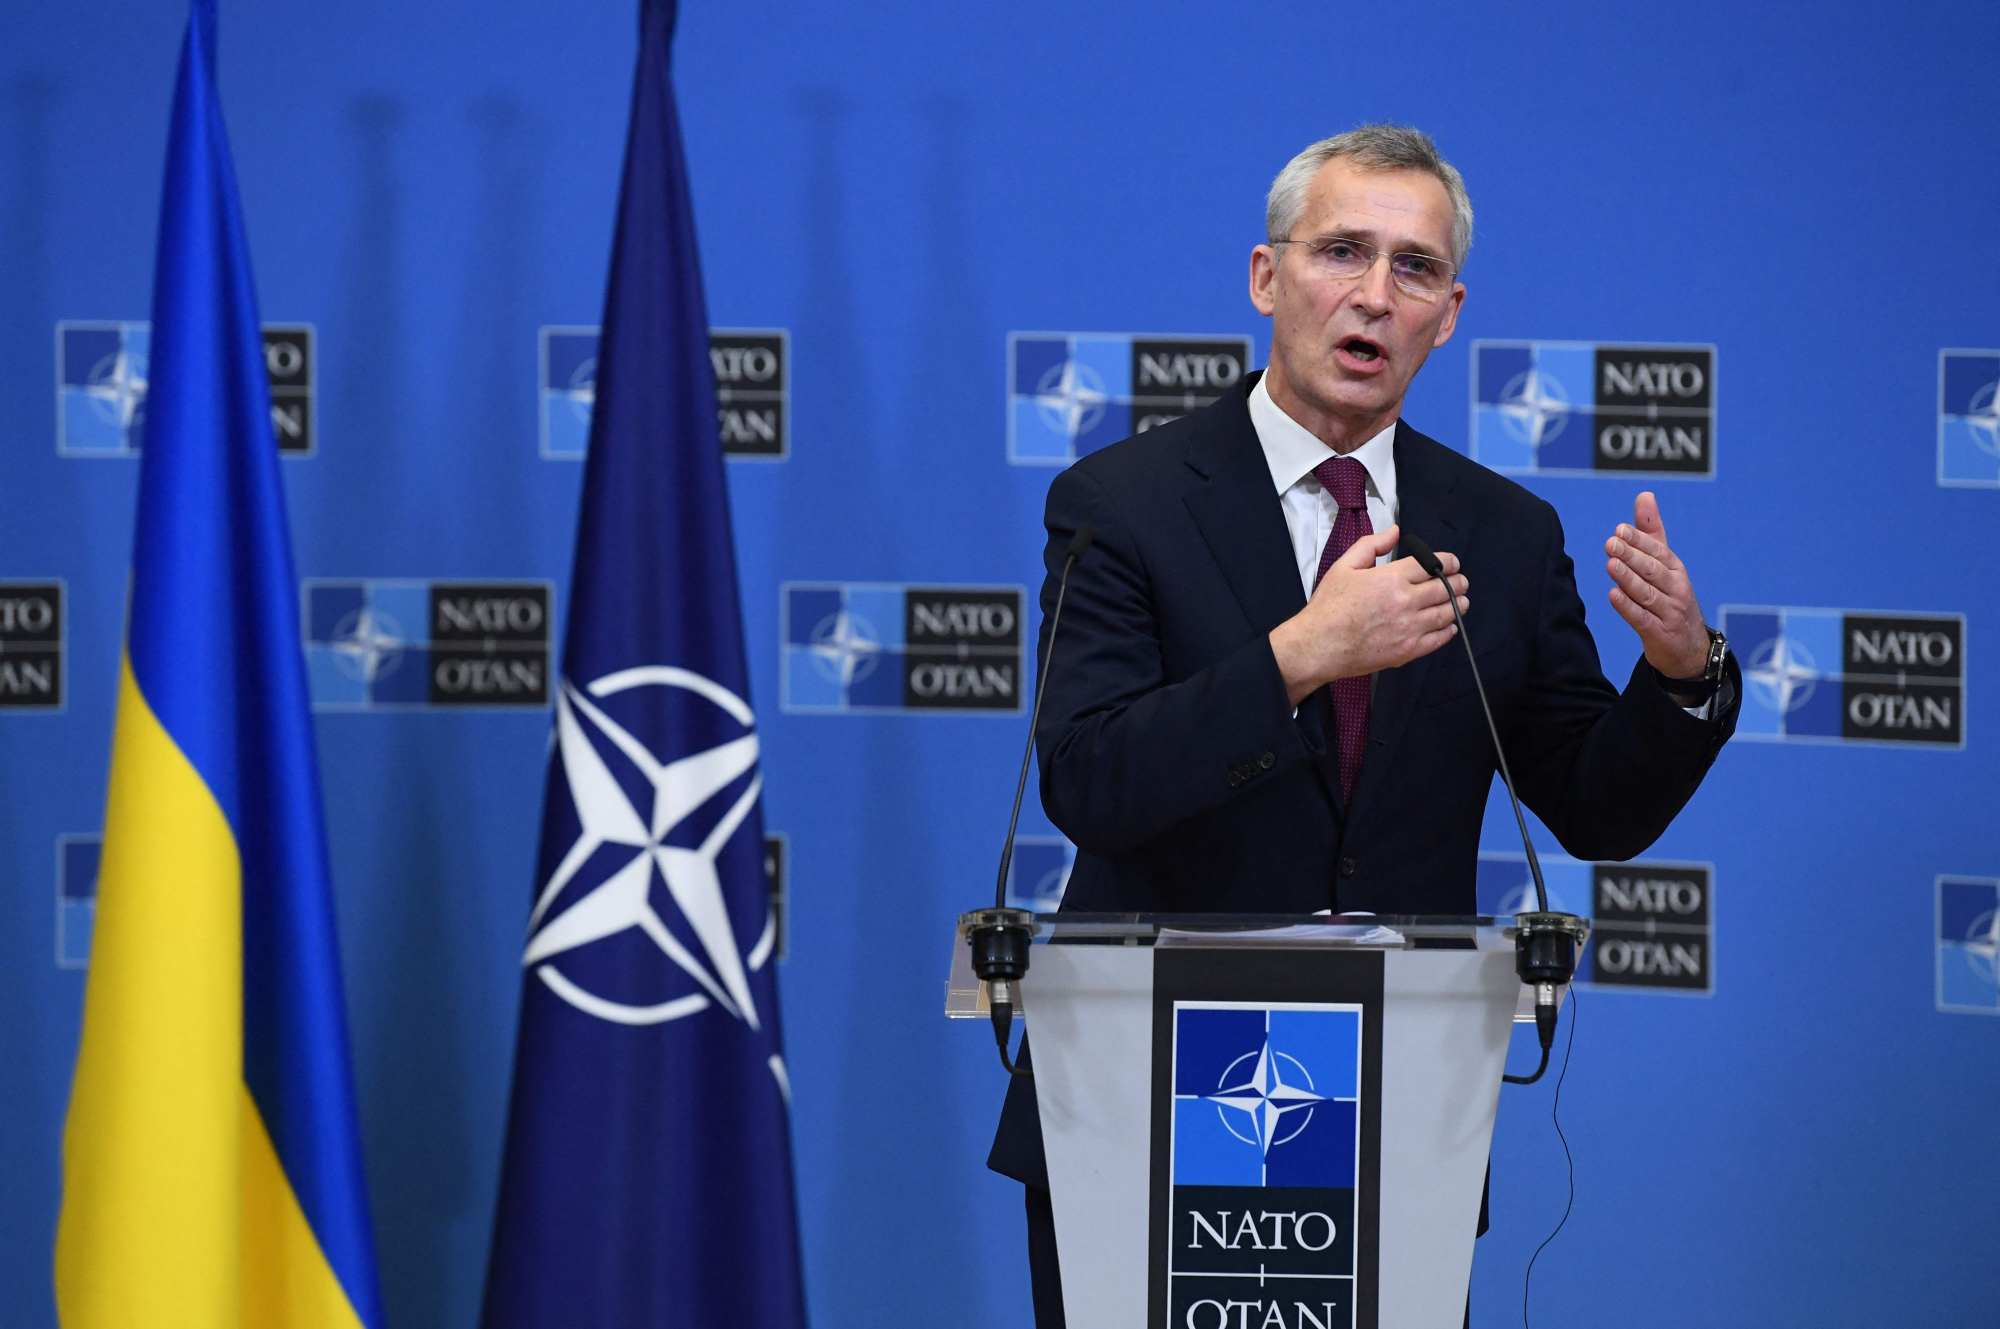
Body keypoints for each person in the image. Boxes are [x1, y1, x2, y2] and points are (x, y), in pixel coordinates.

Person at [987, 124, 1740, 1327]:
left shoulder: (1500, 531)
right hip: (1141, 1103)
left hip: (1392, 1114)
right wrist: (1303, 656)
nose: (1374, 296)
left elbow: (1599, 805)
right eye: (1341, 251)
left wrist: (1679, 672)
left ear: (1448, 314)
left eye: (1414, 268)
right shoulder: (1120, 506)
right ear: (1264, 276)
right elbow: (1090, 777)